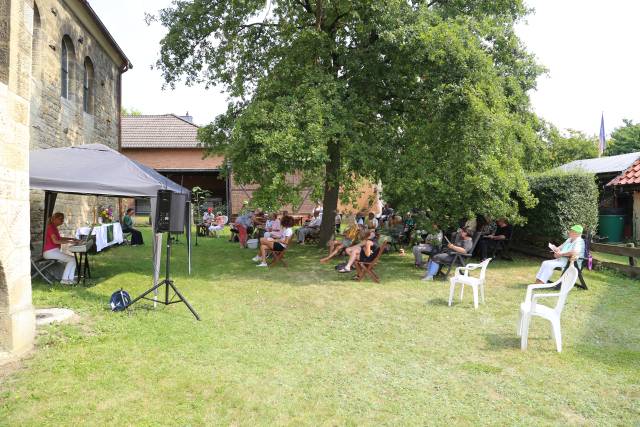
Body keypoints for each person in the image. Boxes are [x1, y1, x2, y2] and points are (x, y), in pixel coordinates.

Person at [42, 212, 80, 284]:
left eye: (63, 219)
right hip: (49, 252)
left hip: (53, 251)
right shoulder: (50, 227)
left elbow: (59, 238)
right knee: (72, 259)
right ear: (54, 219)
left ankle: (70, 279)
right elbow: (56, 241)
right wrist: (70, 242)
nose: (62, 221)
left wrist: (71, 239)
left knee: (73, 259)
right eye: (60, 219)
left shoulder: (53, 227)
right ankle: (64, 280)